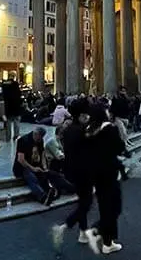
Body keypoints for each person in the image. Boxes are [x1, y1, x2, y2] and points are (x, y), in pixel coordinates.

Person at [51, 101, 94, 249]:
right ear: (81, 115)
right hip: (84, 171)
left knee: (83, 200)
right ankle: (63, 227)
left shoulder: (68, 130)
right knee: (86, 203)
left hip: (72, 171)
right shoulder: (82, 131)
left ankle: (83, 233)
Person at [85, 105, 126, 254]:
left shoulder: (89, 130)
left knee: (104, 206)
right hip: (109, 172)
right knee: (115, 207)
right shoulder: (109, 129)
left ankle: (106, 238)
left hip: (96, 174)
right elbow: (119, 147)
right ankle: (104, 239)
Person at [13, 128, 71, 205]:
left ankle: (63, 189)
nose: (40, 140)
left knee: (50, 174)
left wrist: (44, 167)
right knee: (32, 177)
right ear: (36, 135)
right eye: (39, 138)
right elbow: (21, 159)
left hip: (36, 165)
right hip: (22, 167)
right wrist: (33, 168)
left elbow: (42, 154)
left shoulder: (40, 140)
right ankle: (42, 197)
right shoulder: (23, 140)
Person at [1, 75, 23, 143]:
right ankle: (16, 136)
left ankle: (8, 138)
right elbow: (19, 94)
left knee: (8, 123)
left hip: (7, 107)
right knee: (16, 122)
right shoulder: (15, 84)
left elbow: (2, 95)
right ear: (13, 77)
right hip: (16, 106)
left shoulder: (4, 84)